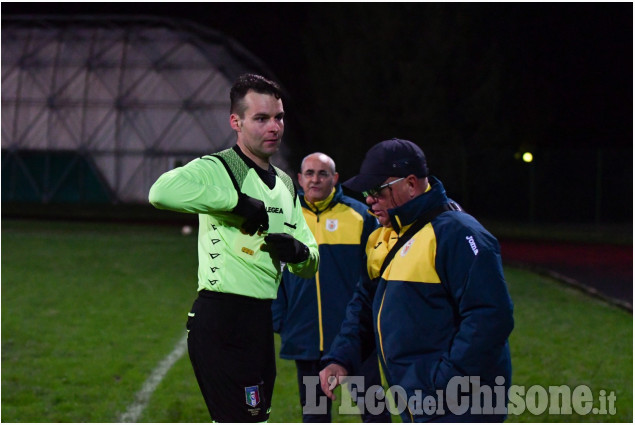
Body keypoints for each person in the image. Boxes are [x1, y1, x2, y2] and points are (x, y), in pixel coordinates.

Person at [148, 73, 319, 423]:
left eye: (279, 117)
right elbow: (160, 192)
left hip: (260, 321)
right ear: (236, 122)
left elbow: (311, 258)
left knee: (255, 418)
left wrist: (298, 253)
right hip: (220, 320)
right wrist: (235, 202)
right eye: (261, 118)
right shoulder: (220, 167)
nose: (274, 127)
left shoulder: (286, 184)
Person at [319, 138, 514, 422]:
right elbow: (364, 303)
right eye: (366, 192)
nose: (369, 200)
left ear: (410, 184)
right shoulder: (381, 236)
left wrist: (444, 385)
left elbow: (491, 317)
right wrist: (341, 357)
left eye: (377, 190)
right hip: (420, 400)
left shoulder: (458, 232)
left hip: (459, 405)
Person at [272, 153, 391, 422]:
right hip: (306, 335)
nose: (315, 179)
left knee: (374, 410)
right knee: (314, 414)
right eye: (310, 173)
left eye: (323, 173)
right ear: (300, 179)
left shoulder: (360, 215)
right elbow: (271, 272)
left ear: (335, 178)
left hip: (354, 335)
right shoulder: (285, 218)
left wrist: (372, 318)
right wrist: (281, 318)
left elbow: (375, 273)